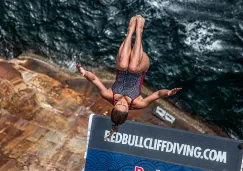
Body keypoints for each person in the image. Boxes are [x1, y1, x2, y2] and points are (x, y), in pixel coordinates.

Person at [76, 15, 182, 138]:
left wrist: (84, 73)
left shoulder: (108, 95)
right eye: (124, 106)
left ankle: (130, 31)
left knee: (123, 65)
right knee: (132, 67)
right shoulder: (138, 103)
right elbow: (158, 94)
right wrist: (168, 93)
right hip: (140, 64)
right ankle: (139, 32)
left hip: (123, 59)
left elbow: (94, 79)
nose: (122, 103)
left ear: (114, 106)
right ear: (128, 110)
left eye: (118, 105)